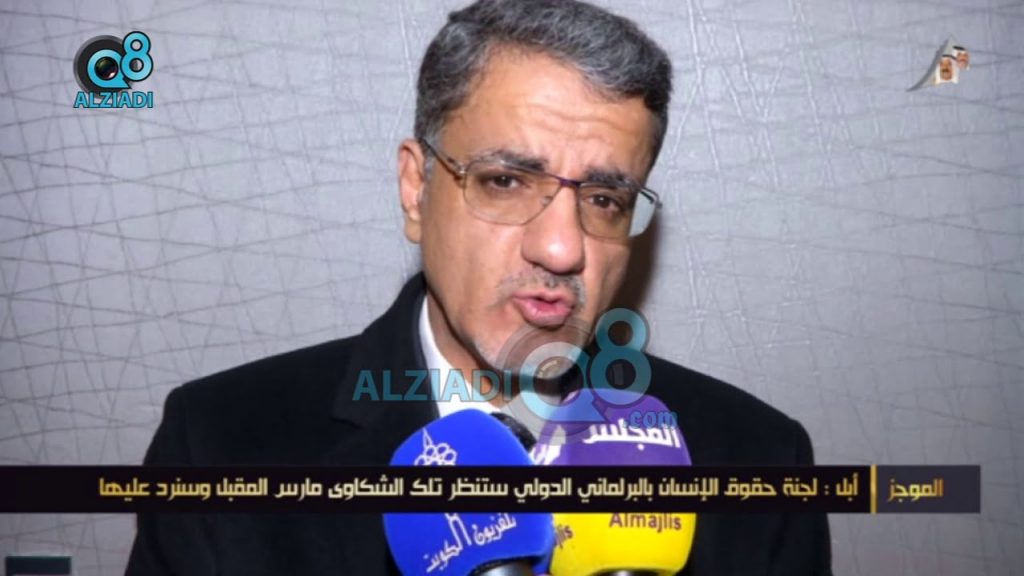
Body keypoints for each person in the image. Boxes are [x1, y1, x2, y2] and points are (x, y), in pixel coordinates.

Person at [126, 0, 832, 574]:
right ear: (416, 189)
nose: (561, 248)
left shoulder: (760, 460)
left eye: (604, 199)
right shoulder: (219, 445)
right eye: (505, 181)